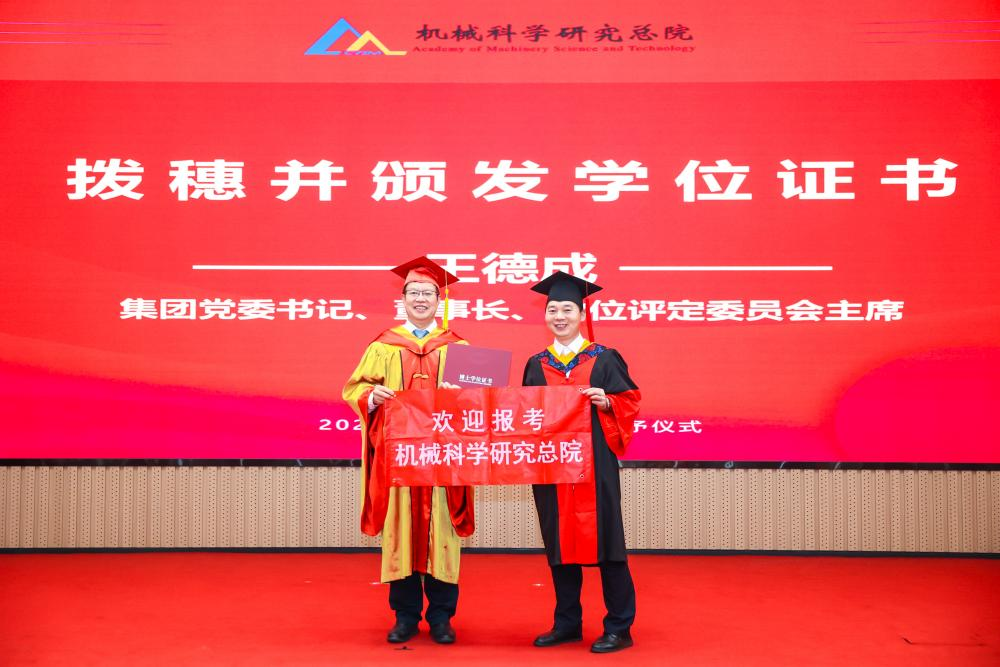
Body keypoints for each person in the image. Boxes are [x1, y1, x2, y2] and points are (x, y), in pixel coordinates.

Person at [342, 256, 474, 645]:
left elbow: (482, 401)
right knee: (400, 531)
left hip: (442, 459)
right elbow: (354, 388)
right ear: (402, 299)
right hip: (399, 458)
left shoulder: (458, 347)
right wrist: (372, 396)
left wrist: (462, 396)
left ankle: (442, 618)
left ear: (439, 299)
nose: (420, 299)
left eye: (427, 293)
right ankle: (405, 616)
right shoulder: (383, 345)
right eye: (413, 292)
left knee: (442, 532)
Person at [522, 271, 641, 654]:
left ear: (581, 313)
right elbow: (523, 413)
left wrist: (608, 402)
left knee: (608, 543)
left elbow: (630, 400)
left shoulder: (604, 358)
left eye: (567, 309)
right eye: (553, 309)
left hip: (595, 467)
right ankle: (567, 623)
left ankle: (619, 626)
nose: (559, 316)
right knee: (559, 544)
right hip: (553, 466)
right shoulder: (536, 364)